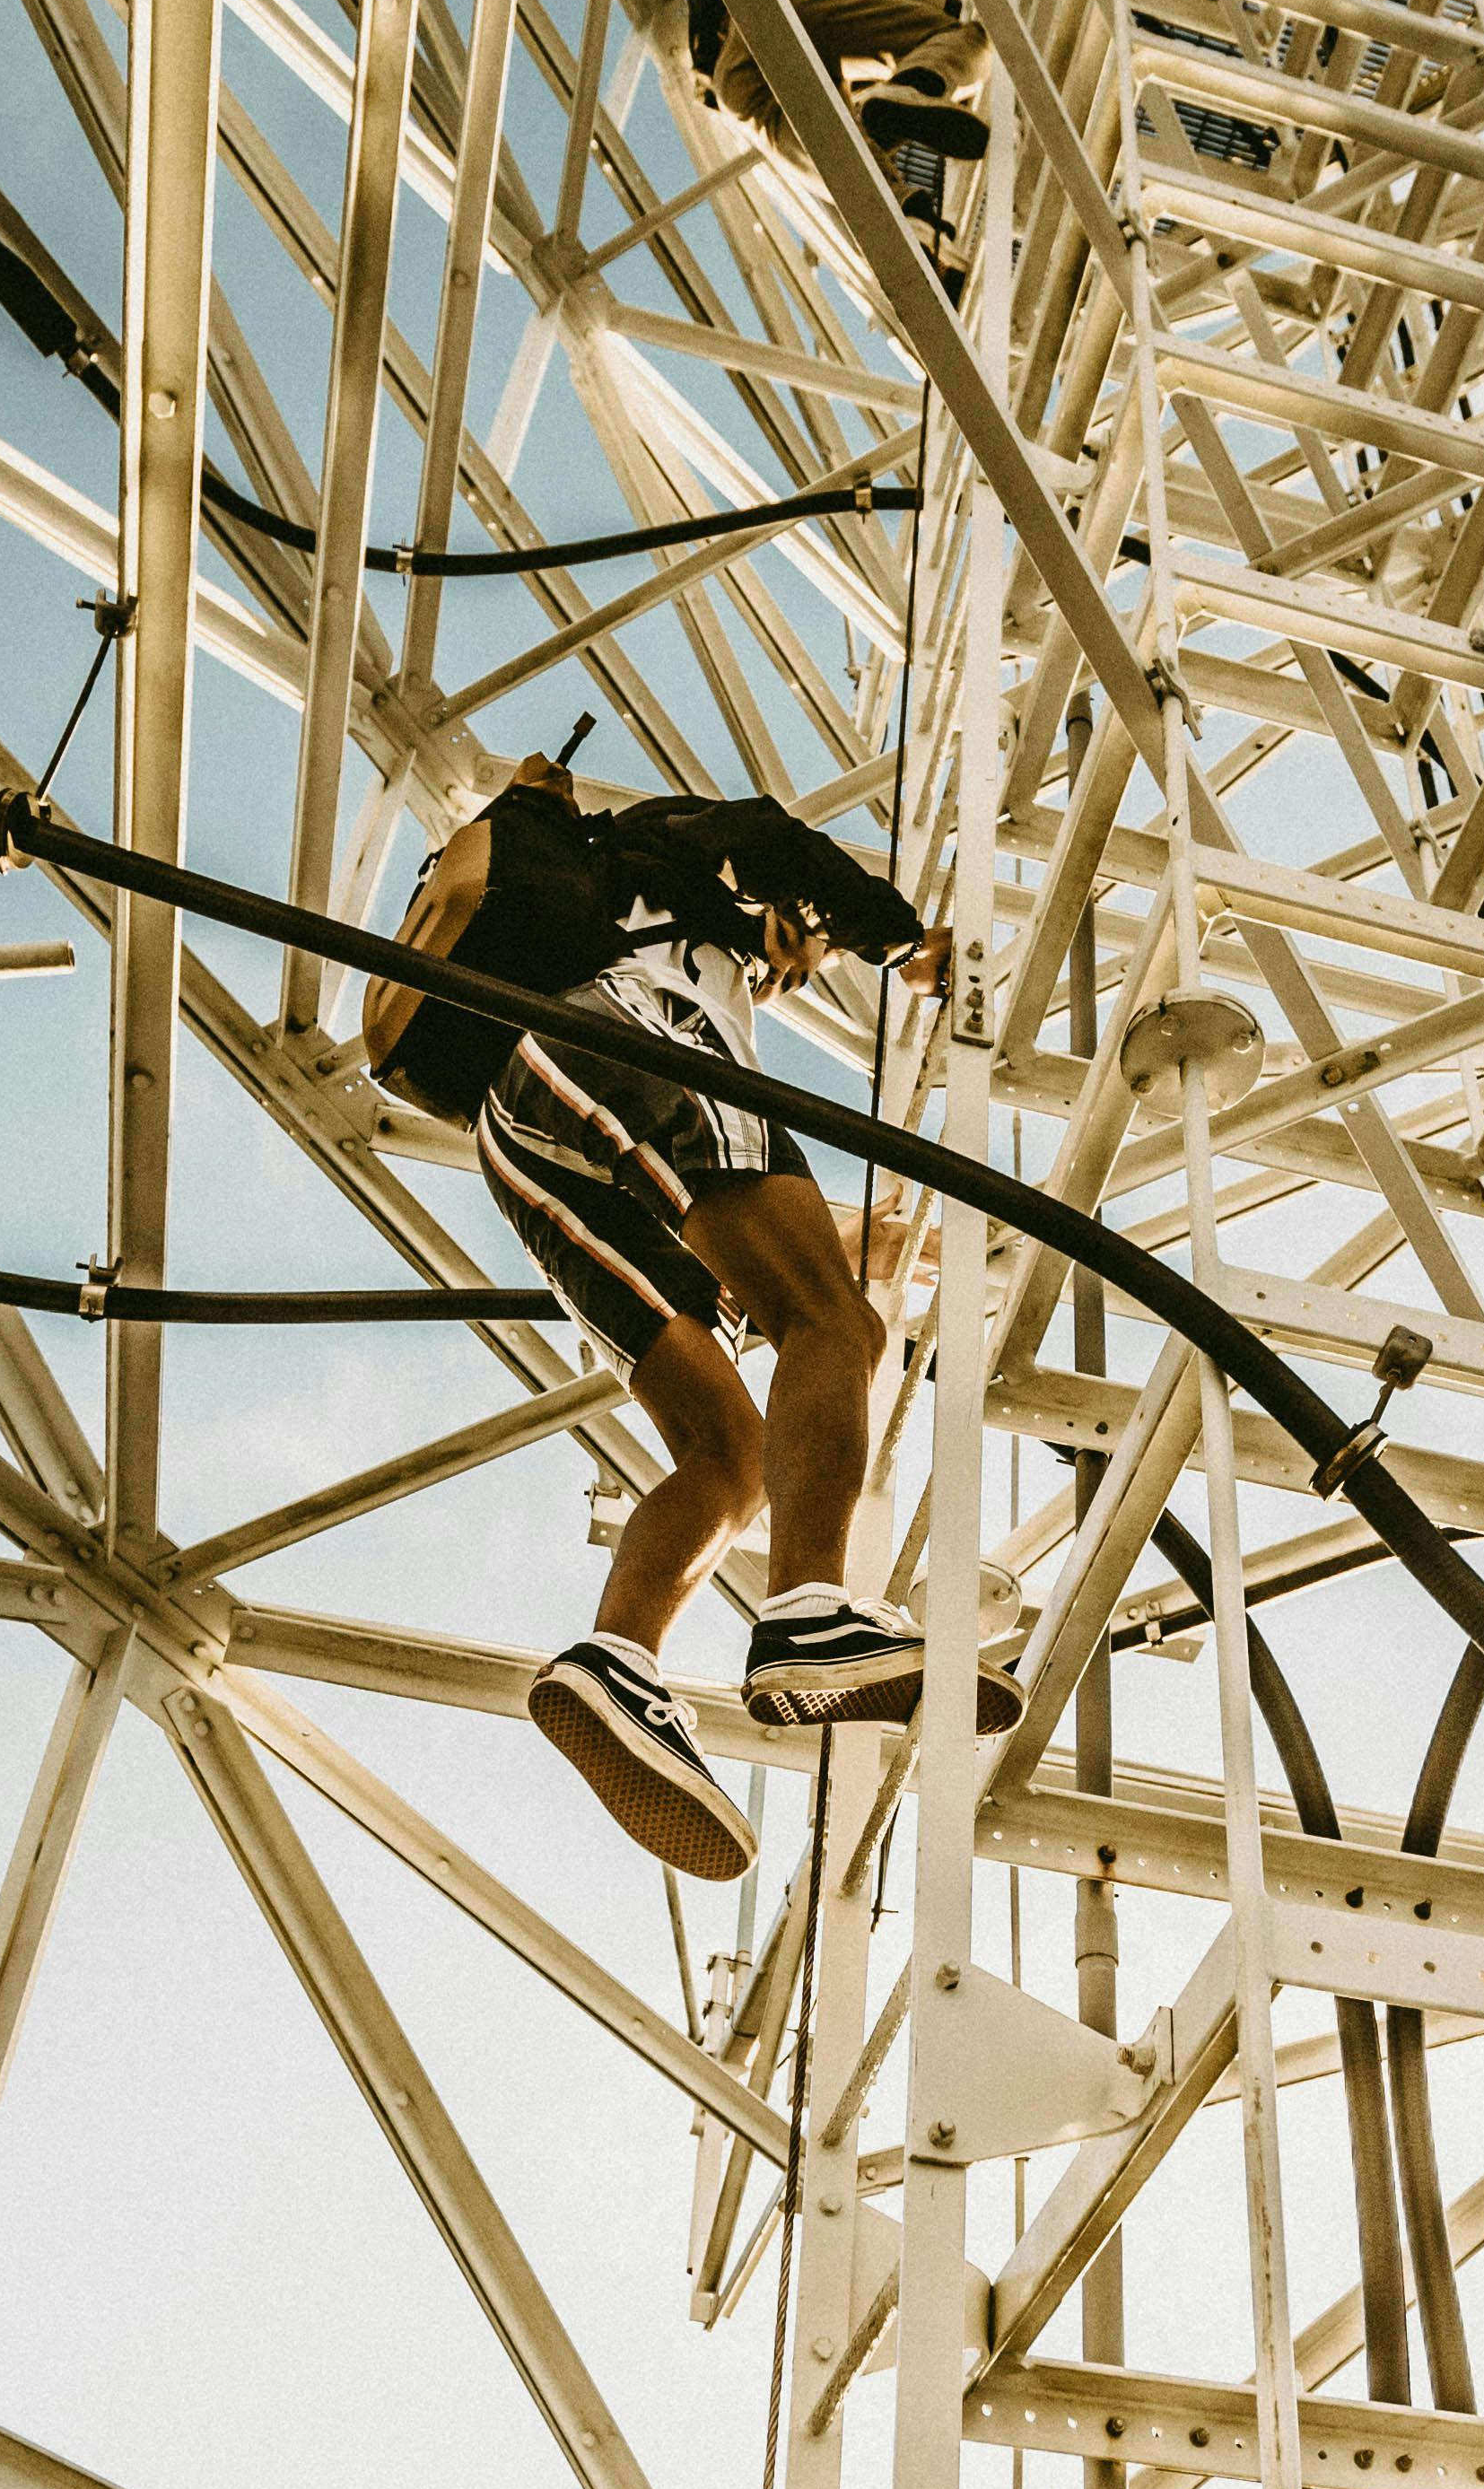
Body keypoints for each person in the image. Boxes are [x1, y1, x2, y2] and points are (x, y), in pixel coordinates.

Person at [360, 735, 1024, 1880]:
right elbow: (773, 833)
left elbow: (696, 1191)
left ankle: (617, 1662)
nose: (791, 968)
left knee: (731, 1452)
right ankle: (813, 1610)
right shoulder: (659, 864)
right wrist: (903, 945)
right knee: (839, 1325)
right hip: (616, 1035)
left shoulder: (642, 925)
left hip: (523, 1138)